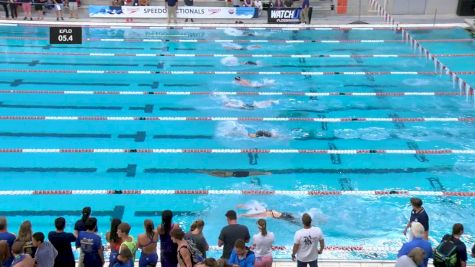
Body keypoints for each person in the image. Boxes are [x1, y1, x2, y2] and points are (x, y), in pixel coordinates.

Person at [202, 170, 271, 178]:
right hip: (235, 174)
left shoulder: (223, 174)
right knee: (252, 173)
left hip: (235, 174)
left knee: (252, 173)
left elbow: (215, 172)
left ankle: (264, 173)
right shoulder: (223, 174)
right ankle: (264, 173)